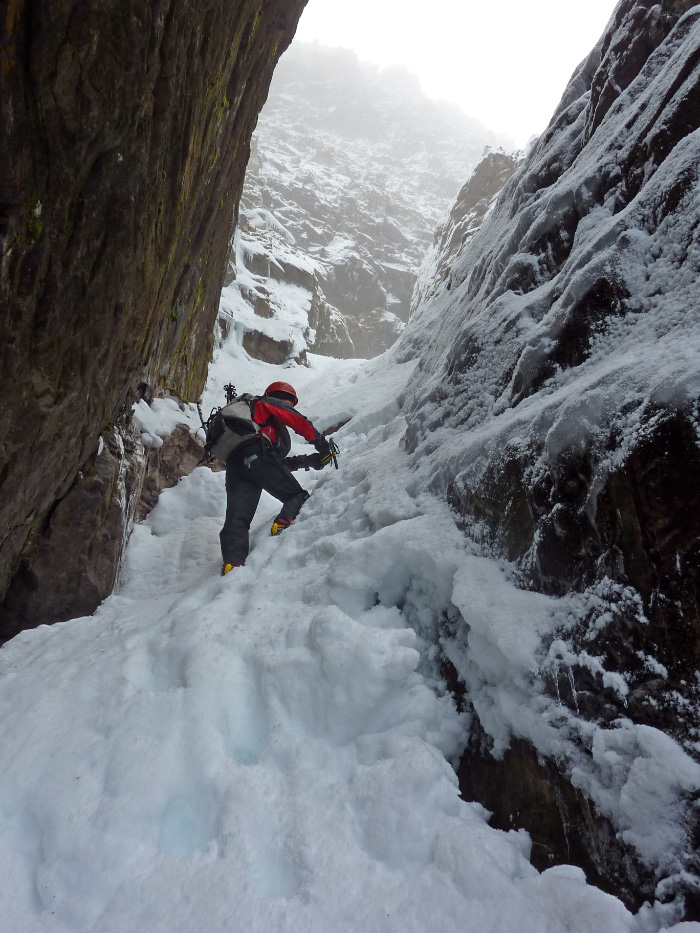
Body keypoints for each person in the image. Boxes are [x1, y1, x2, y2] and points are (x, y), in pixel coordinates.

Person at [220, 381, 332, 574]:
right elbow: (298, 421)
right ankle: (283, 524)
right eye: (288, 402)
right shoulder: (265, 404)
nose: (289, 407)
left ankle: (233, 562)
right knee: (296, 495)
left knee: (237, 519)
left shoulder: (259, 425)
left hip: (236, 464)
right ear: (278, 397)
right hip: (256, 456)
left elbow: (274, 467)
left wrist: (309, 461)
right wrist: (322, 445)